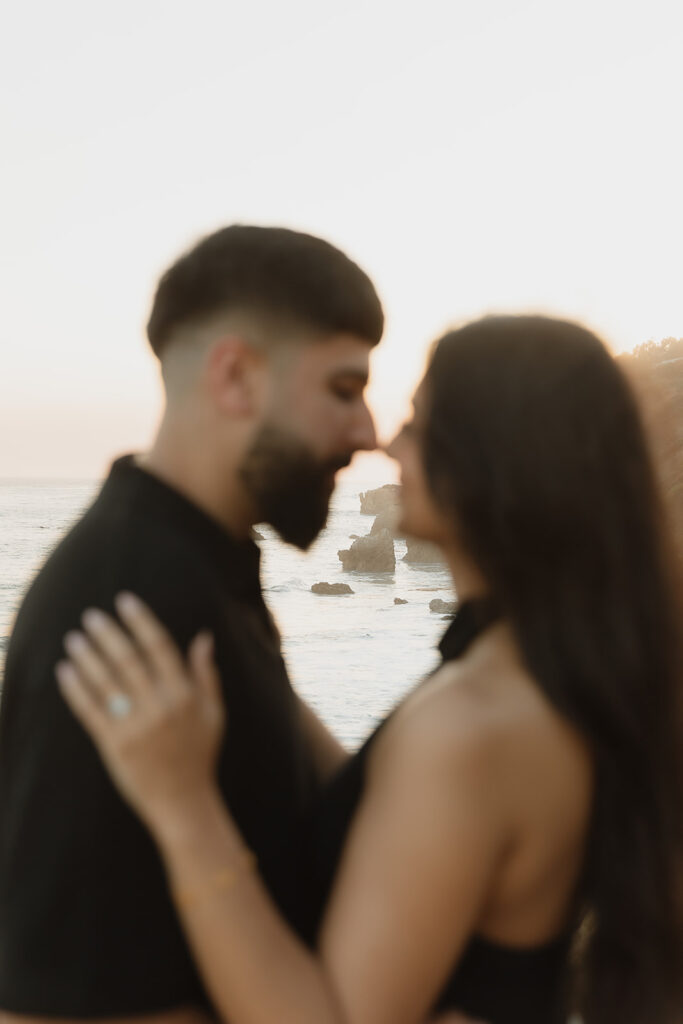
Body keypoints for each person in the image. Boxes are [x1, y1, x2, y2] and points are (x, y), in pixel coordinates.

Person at [57, 316, 683, 1024]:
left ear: (489, 461)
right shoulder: (533, 673)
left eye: (416, 425)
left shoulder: (473, 727)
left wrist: (182, 807)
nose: (388, 444)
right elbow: (387, 806)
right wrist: (249, 657)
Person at [0, 225, 384, 1020]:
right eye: (343, 390)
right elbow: (45, 1001)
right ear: (235, 376)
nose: (367, 432)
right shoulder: (128, 613)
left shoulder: (207, 566)